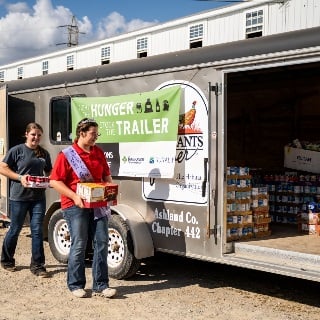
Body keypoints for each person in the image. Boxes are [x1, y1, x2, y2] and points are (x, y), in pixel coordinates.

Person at [49, 118, 117, 299]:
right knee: (79, 244)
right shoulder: (67, 155)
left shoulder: (98, 152)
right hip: (75, 205)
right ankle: (75, 284)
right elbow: (55, 181)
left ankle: (101, 285)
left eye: (97, 134)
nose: (96, 137)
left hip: (98, 205)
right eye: (93, 134)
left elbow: (106, 176)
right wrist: (74, 196)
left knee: (102, 242)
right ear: (82, 133)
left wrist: (110, 188)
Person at [0, 123, 52, 277]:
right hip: (19, 197)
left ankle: (38, 266)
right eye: (33, 134)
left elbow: (49, 169)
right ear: (27, 134)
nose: (36, 138)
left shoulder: (44, 153)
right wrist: (20, 177)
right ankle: (6, 260)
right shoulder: (17, 151)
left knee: (37, 231)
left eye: (39, 135)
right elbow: (2, 167)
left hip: (38, 198)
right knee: (15, 229)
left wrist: (49, 179)